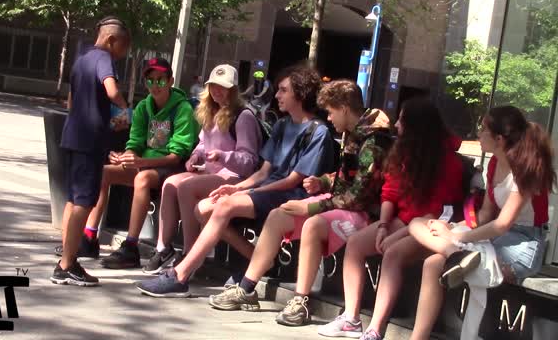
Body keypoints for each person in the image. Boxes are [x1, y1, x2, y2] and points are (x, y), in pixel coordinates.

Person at [136, 64, 336, 297]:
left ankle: (180, 275)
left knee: (225, 205)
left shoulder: (318, 132)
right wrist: (235, 187)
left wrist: (245, 194)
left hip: (290, 196)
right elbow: (263, 172)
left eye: (283, 90)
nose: (277, 95)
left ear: (300, 94)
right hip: (267, 190)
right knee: (203, 209)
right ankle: (259, 259)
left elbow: (292, 182)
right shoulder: (282, 125)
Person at [206, 79, 393, 325]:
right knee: (277, 215)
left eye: (331, 111)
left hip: (365, 214)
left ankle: (300, 301)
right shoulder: (354, 132)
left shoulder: (374, 140)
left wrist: (312, 205)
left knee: (313, 224)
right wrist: (323, 183)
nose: (328, 117)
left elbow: (360, 196)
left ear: (345, 108)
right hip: (340, 203)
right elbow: (349, 176)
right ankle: (247, 288)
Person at [318, 97, 464, 339]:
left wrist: (398, 232)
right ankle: (351, 319)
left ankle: (376, 329)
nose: (396, 125)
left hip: (430, 227)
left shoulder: (448, 162)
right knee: (355, 243)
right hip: (402, 220)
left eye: (402, 120)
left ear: (416, 126)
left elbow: (438, 212)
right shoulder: (402, 152)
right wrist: (384, 226)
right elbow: (390, 192)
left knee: (393, 254)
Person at [408, 105, 556, 340]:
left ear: (498, 138)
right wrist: (455, 228)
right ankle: (418, 336)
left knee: (438, 258)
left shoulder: (525, 170)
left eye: (483, 130)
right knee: (419, 226)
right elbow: (486, 214)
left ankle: (457, 252)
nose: (478, 134)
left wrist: (457, 236)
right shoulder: (495, 164)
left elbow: (502, 224)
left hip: (524, 242)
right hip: (494, 235)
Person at [74, 57, 198, 270]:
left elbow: (176, 157)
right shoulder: (143, 107)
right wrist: (126, 156)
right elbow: (135, 142)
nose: (155, 86)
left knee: (142, 178)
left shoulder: (183, 109)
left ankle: (131, 247)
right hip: (146, 163)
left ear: (170, 81)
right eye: (150, 81)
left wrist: (140, 161)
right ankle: (89, 237)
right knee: (104, 172)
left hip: (172, 169)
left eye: (160, 80)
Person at [142, 64, 262, 274]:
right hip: (208, 172)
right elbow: (202, 144)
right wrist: (195, 156)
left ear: (233, 89)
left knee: (187, 187)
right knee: (170, 183)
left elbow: (249, 161)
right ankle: (163, 247)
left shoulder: (244, 117)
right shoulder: (208, 111)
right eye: (213, 85)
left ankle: (191, 255)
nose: (217, 91)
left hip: (235, 178)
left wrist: (223, 156)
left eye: (223, 87)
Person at [50, 16, 130, 286]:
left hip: (72, 136)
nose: (122, 54)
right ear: (111, 40)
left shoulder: (81, 59)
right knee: (85, 201)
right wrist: (124, 109)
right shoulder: (104, 59)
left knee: (73, 200)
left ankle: (67, 257)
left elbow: (72, 101)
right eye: (123, 47)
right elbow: (111, 90)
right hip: (90, 143)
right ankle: (66, 265)